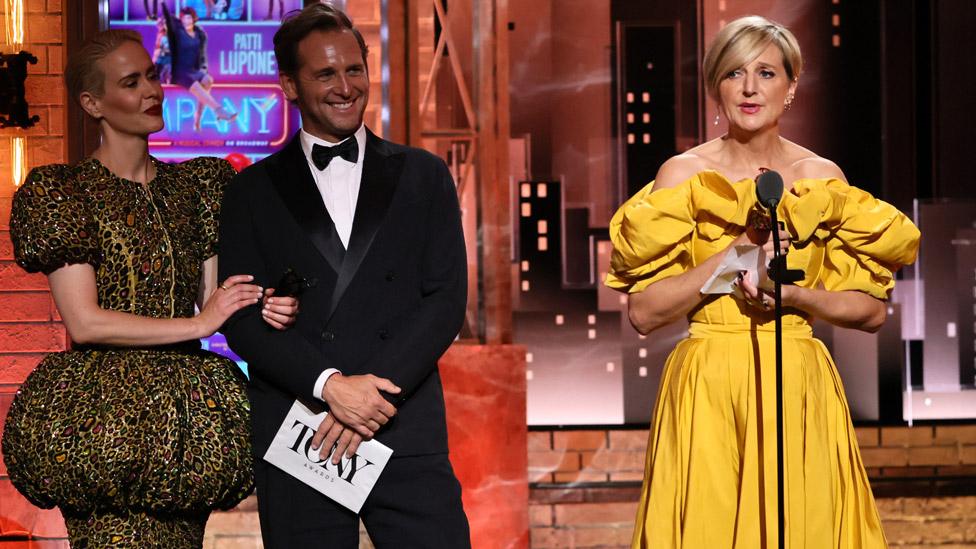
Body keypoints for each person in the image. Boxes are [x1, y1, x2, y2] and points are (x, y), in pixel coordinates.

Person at [606, 15, 920, 548]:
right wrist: (734, 256)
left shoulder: (823, 178)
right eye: (734, 73)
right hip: (707, 383)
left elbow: (871, 313)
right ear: (715, 88)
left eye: (767, 73)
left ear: (792, 86)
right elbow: (644, 313)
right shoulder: (682, 176)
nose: (750, 88)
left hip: (798, 383)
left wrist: (795, 297)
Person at [1, 30, 299, 547]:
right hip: (103, 426)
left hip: (186, 429)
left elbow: (218, 296)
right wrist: (200, 324)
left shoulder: (197, 187)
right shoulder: (66, 194)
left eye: (153, 76)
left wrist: (267, 304)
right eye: (131, 81)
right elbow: (85, 322)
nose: (152, 91)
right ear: (92, 103)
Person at [218, 4, 471, 547]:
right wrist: (330, 387)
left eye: (353, 69)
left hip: (402, 423)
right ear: (288, 84)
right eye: (325, 74)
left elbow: (446, 300)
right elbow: (240, 321)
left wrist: (366, 400)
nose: (344, 86)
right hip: (302, 430)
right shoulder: (250, 192)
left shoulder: (423, 175)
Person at [160, 4, 236, 130]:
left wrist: (203, 69)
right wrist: (163, 4)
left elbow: (202, 56)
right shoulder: (178, 33)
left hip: (193, 70)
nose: (187, 21)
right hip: (179, 71)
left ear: (194, 19)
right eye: (184, 18)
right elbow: (168, 18)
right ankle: (219, 111)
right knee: (195, 84)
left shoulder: (199, 34)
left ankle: (197, 119)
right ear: (181, 20)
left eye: (189, 18)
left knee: (208, 80)